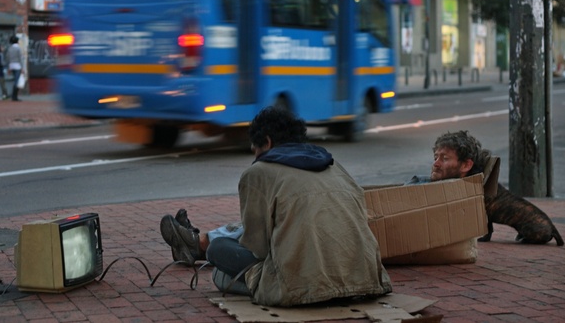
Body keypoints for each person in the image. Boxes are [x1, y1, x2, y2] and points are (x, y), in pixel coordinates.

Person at [161, 106, 392, 307]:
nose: (255, 156)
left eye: (255, 149)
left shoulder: (258, 173)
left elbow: (257, 248)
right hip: (366, 280)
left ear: (267, 142)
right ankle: (197, 243)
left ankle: (200, 245)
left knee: (218, 256)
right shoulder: (335, 166)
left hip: (300, 289)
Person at [161, 130, 490, 268]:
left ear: (466, 166)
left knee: (278, 224)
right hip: (360, 214)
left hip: (360, 227)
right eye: (435, 155)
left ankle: (200, 244)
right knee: (264, 220)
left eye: (444, 158)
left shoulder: (445, 196)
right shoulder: (425, 183)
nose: (435, 162)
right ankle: (199, 241)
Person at [6, 35, 23, 101]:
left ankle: (14, 96)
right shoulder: (18, 48)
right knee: (16, 81)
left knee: (15, 80)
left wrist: (9, 67)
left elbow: (7, 58)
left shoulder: (10, 49)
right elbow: (20, 58)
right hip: (18, 66)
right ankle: (14, 96)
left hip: (11, 66)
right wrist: (22, 68)